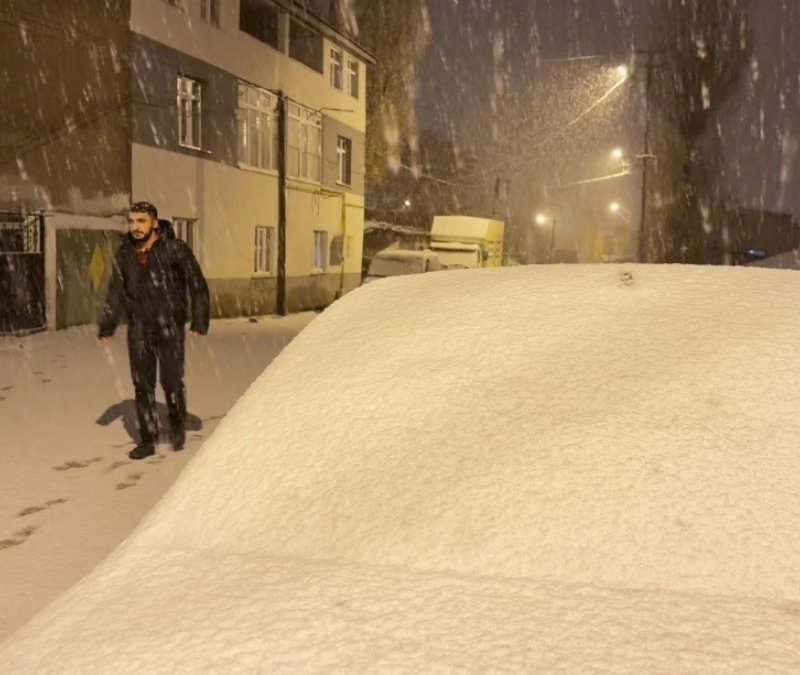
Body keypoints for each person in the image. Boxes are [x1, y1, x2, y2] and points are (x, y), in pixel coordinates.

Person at [99, 202, 210, 460]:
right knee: (142, 385)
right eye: (132, 221)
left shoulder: (175, 250)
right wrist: (108, 325)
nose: (135, 227)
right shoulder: (125, 253)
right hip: (139, 328)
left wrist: (199, 320)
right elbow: (117, 292)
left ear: (155, 223)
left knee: (171, 381)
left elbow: (197, 284)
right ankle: (147, 440)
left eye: (141, 221)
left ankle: (177, 424)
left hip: (170, 326)